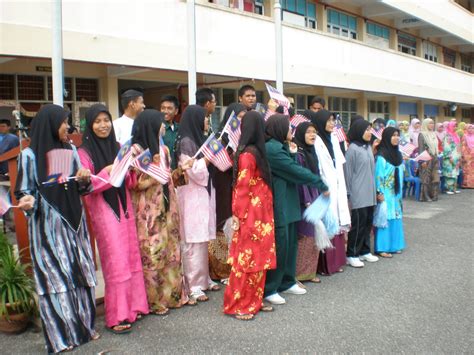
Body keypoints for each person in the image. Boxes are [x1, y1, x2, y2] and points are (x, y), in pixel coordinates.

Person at [15, 104, 98, 353]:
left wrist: (84, 179)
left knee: (80, 274)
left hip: (74, 223)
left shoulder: (69, 150)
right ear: (51, 124)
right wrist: (27, 201)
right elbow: (25, 193)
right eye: (64, 123)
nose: (68, 128)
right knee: (56, 279)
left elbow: (73, 188)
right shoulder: (29, 156)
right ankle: (61, 337)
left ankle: (83, 330)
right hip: (48, 229)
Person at [78, 104, 149, 333]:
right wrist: (106, 172)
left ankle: (135, 306)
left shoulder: (118, 146)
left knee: (130, 255)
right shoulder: (83, 153)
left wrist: (130, 169)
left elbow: (128, 182)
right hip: (104, 211)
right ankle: (117, 315)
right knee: (116, 261)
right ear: (90, 125)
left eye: (106, 120)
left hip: (124, 206)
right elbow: (86, 187)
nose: (103, 125)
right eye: (97, 121)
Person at [263, 114, 329, 305]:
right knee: (281, 246)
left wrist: (291, 152)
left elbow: (291, 167)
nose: (291, 131)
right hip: (280, 202)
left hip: (289, 201)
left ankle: (287, 281)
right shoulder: (272, 149)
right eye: (288, 127)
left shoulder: (281, 146)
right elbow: (293, 170)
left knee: (291, 244)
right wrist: (320, 183)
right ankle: (270, 288)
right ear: (278, 129)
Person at [131, 109, 189, 313]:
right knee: (153, 252)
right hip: (149, 211)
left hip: (168, 206)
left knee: (171, 251)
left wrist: (180, 172)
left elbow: (169, 178)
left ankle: (173, 296)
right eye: (160, 123)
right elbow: (134, 184)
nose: (164, 126)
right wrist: (155, 173)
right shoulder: (136, 151)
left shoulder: (163, 150)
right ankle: (154, 301)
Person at [223, 110, 276, 320]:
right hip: (251, 215)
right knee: (247, 261)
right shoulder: (247, 155)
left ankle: (254, 300)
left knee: (258, 259)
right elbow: (242, 187)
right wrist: (237, 214)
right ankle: (239, 304)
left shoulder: (253, 151)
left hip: (261, 213)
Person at [175, 105, 220, 303]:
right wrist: (208, 160)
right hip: (192, 194)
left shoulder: (198, 139)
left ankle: (203, 278)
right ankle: (193, 284)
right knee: (192, 240)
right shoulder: (186, 142)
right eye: (204, 118)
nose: (207, 122)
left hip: (202, 194)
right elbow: (194, 172)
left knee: (202, 239)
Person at [310, 109, 351, 275]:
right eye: (328, 120)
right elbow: (317, 166)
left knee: (337, 221)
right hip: (325, 186)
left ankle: (337, 261)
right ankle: (325, 266)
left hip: (337, 184)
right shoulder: (316, 141)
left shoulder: (334, 138)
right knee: (327, 221)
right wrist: (323, 185)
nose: (332, 123)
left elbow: (339, 162)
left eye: (333, 120)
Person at [209, 103, 247, 282]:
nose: (241, 121)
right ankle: (223, 268)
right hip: (223, 187)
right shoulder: (221, 138)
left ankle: (237, 264)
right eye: (238, 117)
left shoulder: (245, 137)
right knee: (224, 223)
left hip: (239, 187)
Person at [344, 117, 378, 267]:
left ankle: (364, 251)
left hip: (369, 192)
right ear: (359, 131)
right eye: (367, 129)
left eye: (370, 129)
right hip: (358, 193)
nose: (370, 132)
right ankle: (352, 253)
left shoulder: (368, 147)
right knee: (357, 224)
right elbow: (348, 173)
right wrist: (349, 194)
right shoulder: (352, 149)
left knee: (367, 223)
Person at [293, 120, 322, 283]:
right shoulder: (299, 153)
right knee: (304, 236)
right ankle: (297, 274)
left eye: (314, 132)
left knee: (313, 236)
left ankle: (309, 272)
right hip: (305, 201)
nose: (312, 135)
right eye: (309, 132)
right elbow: (300, 179)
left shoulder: (311, 152)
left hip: (315, 195)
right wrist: (307, 200)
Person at [374, 127, 406, 257]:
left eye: (398, 135)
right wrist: (379, 192)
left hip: (396, 194)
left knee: (396, 216)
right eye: (393, 135)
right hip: (386, 193)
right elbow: (378, 176)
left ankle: (395, 245)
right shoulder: (382, 155)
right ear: (387, 137)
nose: (396, 138)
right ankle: (382, 248)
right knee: (385, 217)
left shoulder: (398, 154)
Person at [417, 118, 440, 202]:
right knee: (426, 177)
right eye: (430, 123)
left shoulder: (433, 134)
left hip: (435, 157)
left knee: (435, 177)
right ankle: (425, 196)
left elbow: (436, 146)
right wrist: (423, 161)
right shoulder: (422, 134)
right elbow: (421, 149)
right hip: (426, 158)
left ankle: (434, 194)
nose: (432, 125)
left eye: (433, 123)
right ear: (425, 124)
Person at [160, 95, 180, 169]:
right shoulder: (158, 129)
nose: (165, 111)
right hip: (163, 172)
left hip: (178, 173)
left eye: (169, 108)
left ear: (176, 111)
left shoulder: (180, 128)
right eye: (163, 108)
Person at [442, 121, 461, 194]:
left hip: (456, 156)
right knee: (449, 173)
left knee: (455, 173)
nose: (455, 128)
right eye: (454, 126)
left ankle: (454, 188)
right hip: (449, 157)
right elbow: (446, 147)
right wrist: (450, 156)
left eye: (456, 126)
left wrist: (458, 157)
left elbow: (459, 146)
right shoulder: (447, 135)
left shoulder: (456, 135)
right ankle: (448, 189)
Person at [461, 124, 474, 188]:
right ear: (466, 129)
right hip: (468, 155)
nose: (471, 130)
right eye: (469, 128)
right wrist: (466, 154)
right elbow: (463, 146)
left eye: (472, 128)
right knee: (467, 170)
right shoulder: (465, 136)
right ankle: (466, 184)